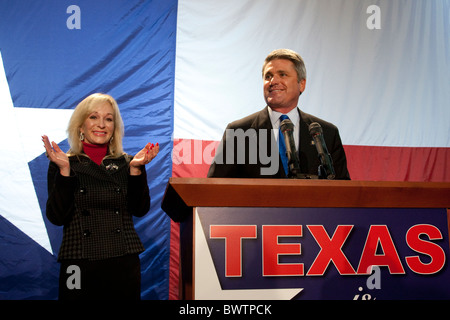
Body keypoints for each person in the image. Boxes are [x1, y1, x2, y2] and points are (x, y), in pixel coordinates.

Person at [43, 93, 159, 300]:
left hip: (122, 261)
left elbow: (140, 209)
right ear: (80, 126)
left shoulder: (129, 163)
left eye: (108, 119)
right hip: (78, 262)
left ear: (114, 127)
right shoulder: (63, 163)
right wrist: (64, 172)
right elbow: (56, 217)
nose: (101, 124)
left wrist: (135, 171)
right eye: (93, 117)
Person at [207, 49, 350, 180]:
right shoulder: (239, 131)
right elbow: (215, 187)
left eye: (282, 74)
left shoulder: (327, 133)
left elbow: (343, 191)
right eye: (268, 76)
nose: (273, 81)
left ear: (302, 84)